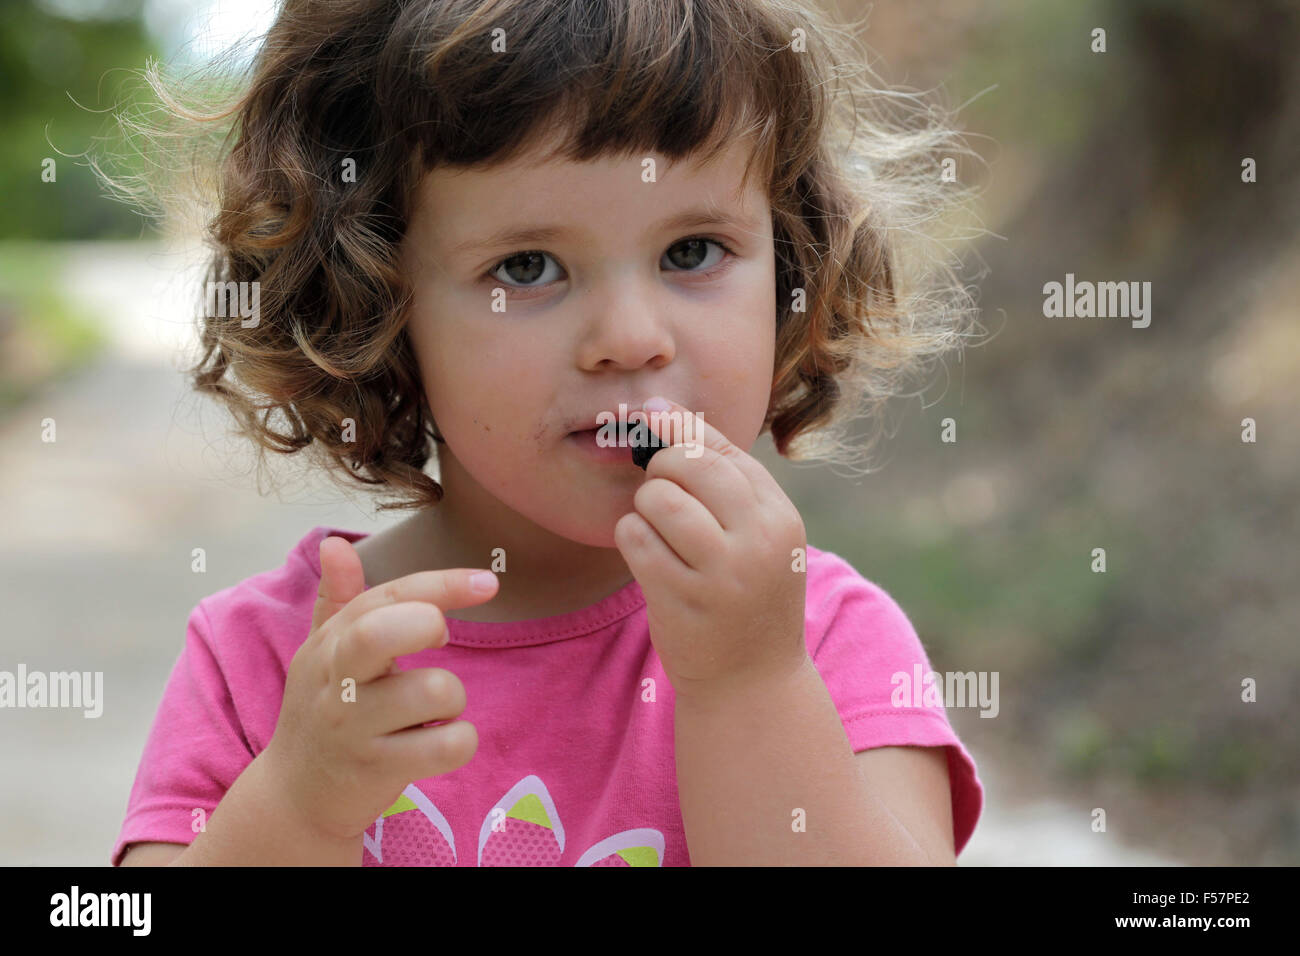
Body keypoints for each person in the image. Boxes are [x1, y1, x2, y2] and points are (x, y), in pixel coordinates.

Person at [108, 0, 985, 867]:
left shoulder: (825, 642)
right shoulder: (267, 660)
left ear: (793, 263)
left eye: (692, 252)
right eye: (527, 268)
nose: (631, 336)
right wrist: (298, 806)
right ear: (375, 303)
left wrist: (749, 686)